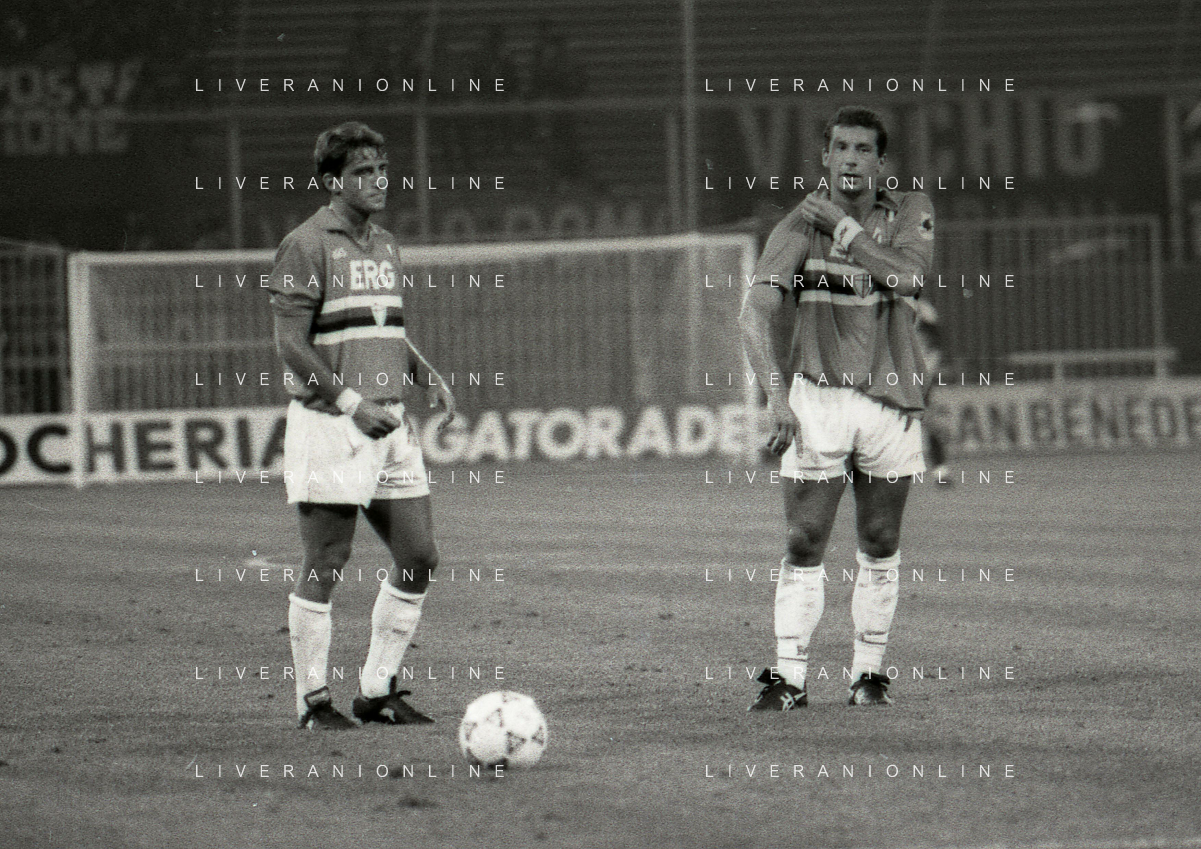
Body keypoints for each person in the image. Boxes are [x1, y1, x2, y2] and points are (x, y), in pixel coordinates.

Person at [738, 105, 935, 709]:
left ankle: (868, 675)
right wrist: (776, 397)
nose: (851, 158)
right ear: (825, 157)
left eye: (863, 149)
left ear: (881, 162)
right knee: (804, 539)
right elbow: (753, 314)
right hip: (818, 398)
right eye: (841, 147)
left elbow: (907, 279)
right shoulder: (799, 226)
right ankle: (789, 680)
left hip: (890, 399)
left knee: (880, 536)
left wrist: (846, 231)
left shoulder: (911, 211)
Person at [268, 121, 456, 729]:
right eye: (362, 172)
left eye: (381, 169)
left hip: (390, 422)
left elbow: (382, 325)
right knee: (327, 558)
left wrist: (422, 370)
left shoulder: (386, 245)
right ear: (332, 181)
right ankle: (312, 702)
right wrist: (353, 403)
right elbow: (291, 344)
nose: (378, 180)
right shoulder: (305, 244)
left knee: (419, 555)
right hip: (333, 424)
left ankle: (376, 691)